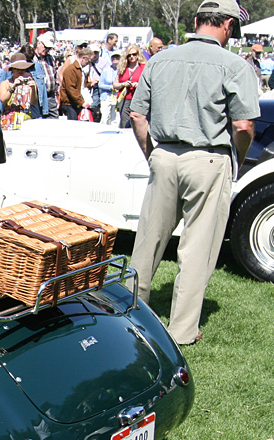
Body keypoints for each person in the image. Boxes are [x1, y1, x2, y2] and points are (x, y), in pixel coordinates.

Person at [128, 0, 259, 346]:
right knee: (197, 248)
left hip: (165, 154)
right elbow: (243, 125)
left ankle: (126, 312)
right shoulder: (234, 65)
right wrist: (238, 159)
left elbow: (137, 116)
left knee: (148, 242)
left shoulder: (160, 58)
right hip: (208, 158)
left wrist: (151, 154)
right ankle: (182, 330)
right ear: (228, 25)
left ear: (198, 21)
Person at [0, 52, 35, 129]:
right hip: (9, 120)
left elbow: (33, 102)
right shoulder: (5, 83)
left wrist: (34, 88)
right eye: (16, 69)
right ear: (11, 69)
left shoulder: (30, 82)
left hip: (26, 120)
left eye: (22, 69)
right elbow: (3, 100)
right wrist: (13, 87)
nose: (20, 71)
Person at [114, 44, 145, 128]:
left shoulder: (144, 67)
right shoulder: (123, 67)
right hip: (125, 100)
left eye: (134, 54)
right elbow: (115, 85)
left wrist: (138, 85)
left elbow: (149, 83)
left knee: (138, 123)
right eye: (129, 55)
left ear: (138, 54)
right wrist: (123, 84)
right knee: (124, 122)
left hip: (138, 99)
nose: (132, 57)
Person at [59, 48, 91, 120]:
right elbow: (71, 89)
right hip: (69, 104)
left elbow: (81, 85)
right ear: (83, 58)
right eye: (88, 61)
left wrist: (89, 84)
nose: (89, 63)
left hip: (76, 103)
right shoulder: (71, 70)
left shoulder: (80, 70)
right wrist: (81, 102)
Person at [32, 34, 59, 118]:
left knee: (54, 119)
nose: (47, 50)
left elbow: (55, 77)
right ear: (38, 43)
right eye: (45, 47)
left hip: (50, 96)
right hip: (37, 97)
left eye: (49, 48)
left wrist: (57, 95)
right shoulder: (31, 58)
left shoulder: (50, 58)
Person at [99, 52, 121, 126]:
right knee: (105, 117)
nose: (115, 59)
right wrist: (110, 87)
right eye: (113, 57)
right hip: (106, 95)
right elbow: (100, 84)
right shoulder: (106, 70)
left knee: (115, 118)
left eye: (117, 57)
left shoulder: (122, 70)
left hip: (117, 96)